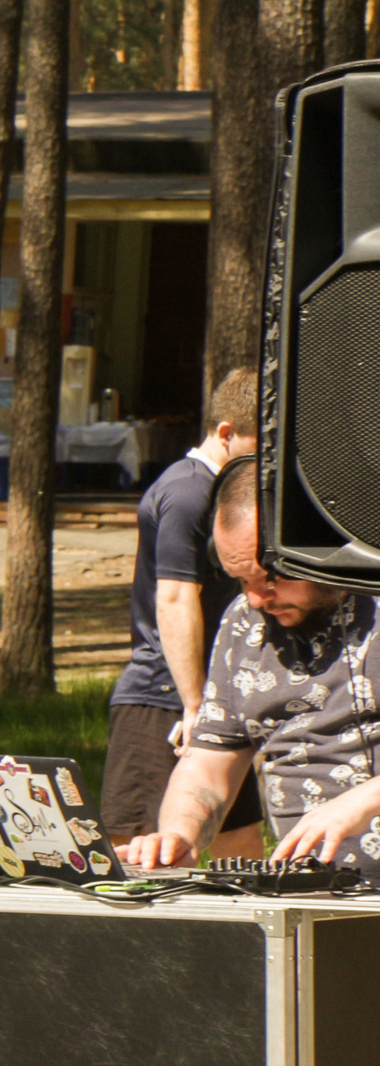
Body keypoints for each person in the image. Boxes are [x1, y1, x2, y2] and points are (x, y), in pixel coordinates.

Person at [121, 457, 380, 878]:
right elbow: (207, 763)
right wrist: (178, 835)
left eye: (271, 578)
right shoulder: (245, 622)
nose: (258, 599)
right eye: (242, 581)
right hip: (311, 894)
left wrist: (363, 802)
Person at [102, 368, 265, 854]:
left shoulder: (220, 491)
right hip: (160, 696)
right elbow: (174, 598)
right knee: (137, 849)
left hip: (212, 698)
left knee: (240, 841)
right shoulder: (190, 491)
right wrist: (195, 706)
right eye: (260, 445)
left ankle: (253, 928)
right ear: (224, 434)